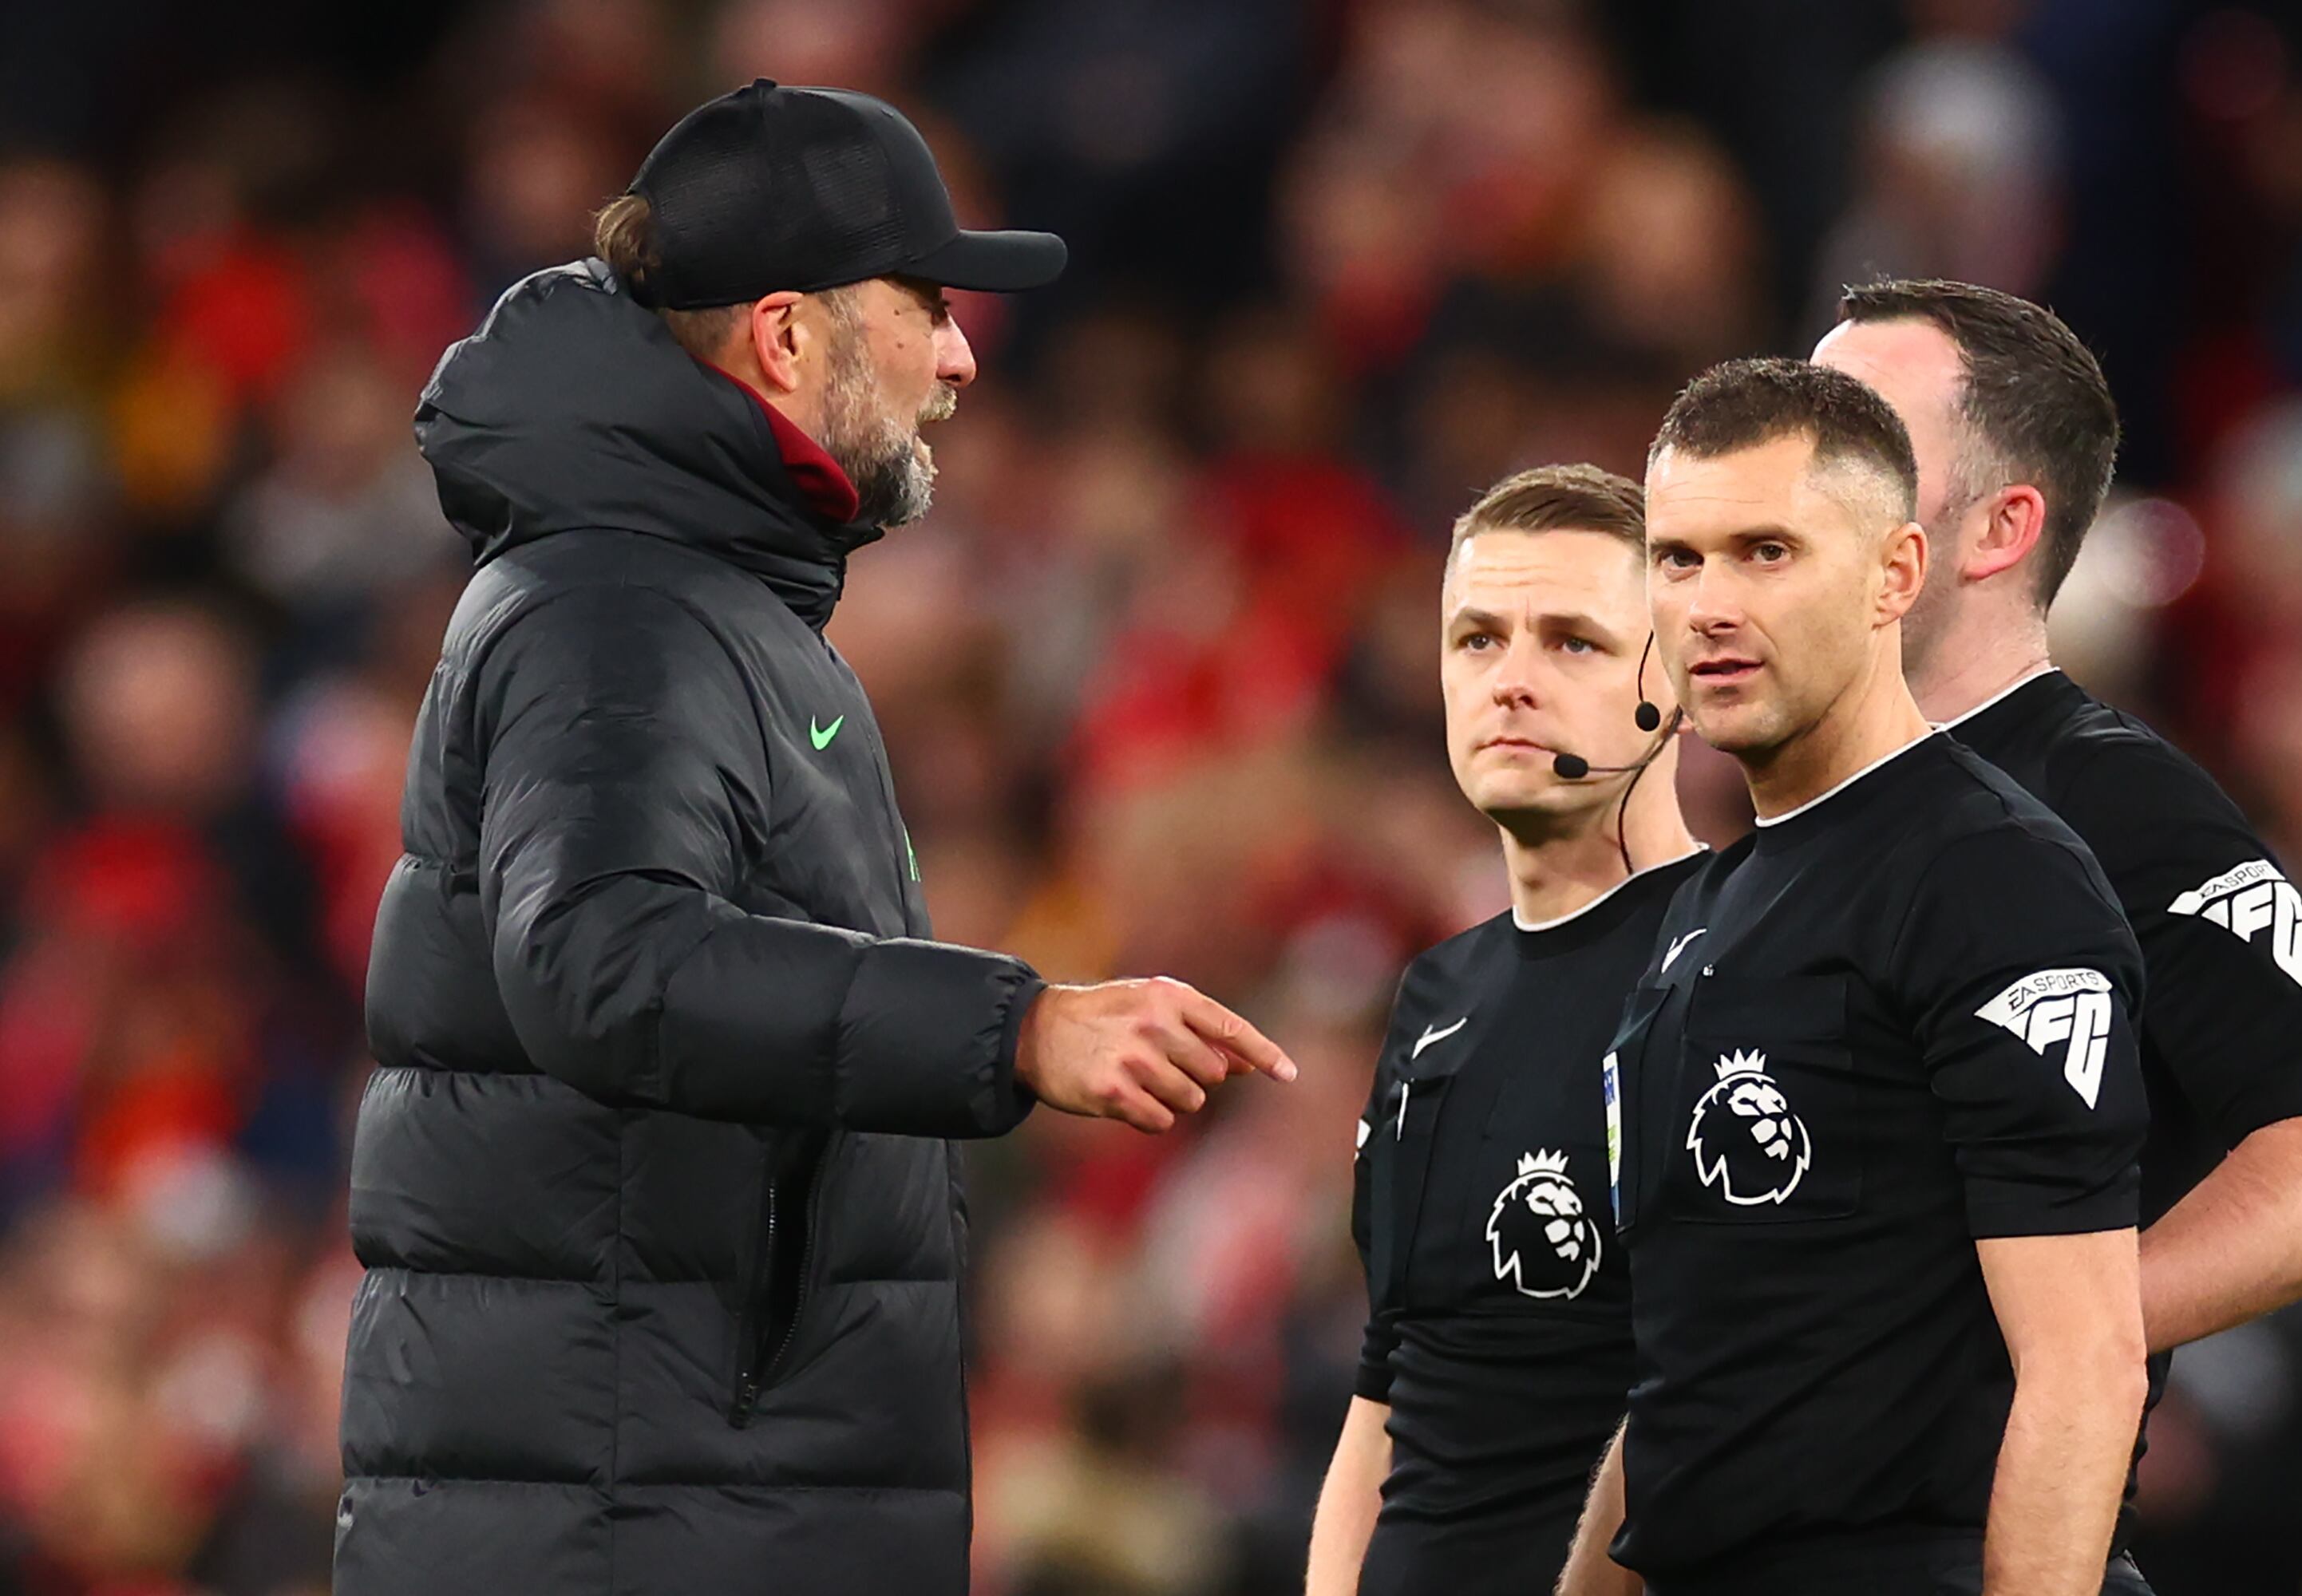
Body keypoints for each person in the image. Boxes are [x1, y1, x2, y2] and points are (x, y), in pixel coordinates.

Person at [337, 81, 1294, 1596]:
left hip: (670, 1502)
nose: (965, 355)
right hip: (637, 1525)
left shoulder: (699, 595)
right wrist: (1015, 1029)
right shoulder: (620, 605)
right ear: (788, 335)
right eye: (929, 305)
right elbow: (599, 959)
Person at [1560, 358, 2151, 1596]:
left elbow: (2085, 1359)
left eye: (1766, 552)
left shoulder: (1988, 875)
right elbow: (1695, 1366)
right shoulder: (1705, 911)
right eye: (1678, 559)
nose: (1709, 605)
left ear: (1896, 575)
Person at [1811, 279, 2302, 1373]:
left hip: (1976, 1528)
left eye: (1859, 440)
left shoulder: (2114, 803)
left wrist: (2029, 1342)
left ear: (1999, 528)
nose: (1793, 475)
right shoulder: (1794, 807)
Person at [1305, 466, 1703, 1596]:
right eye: (1477, 641)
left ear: (1676, 678)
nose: (1510, 683)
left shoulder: (1744, 961)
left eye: (1571, 642)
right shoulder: (1436, 995)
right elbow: (1389, 1381)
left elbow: (1716, 1383)